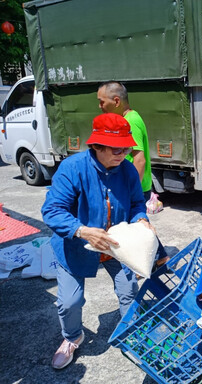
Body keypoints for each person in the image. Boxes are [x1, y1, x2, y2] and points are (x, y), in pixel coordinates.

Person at [42, 113, 153, 369]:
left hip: (117, 243)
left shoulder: (126, 169)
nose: (123, 152)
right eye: (116, 148)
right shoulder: (72, 168)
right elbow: (52, 210)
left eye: (127, 147)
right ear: (96, 146)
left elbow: (137, 203)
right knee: (70, 301)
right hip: (76, 245)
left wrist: (141, 219)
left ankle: (130, 333)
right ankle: (72, 337)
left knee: (128, 291)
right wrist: (81, 230)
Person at [97, 81, 168, 265]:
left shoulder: (131, 122)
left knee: (133, 225)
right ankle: (160, 258)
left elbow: (139, 159)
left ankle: (142, 263)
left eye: (102, 102)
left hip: (134, 186)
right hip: (134, 184)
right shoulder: (131, 118)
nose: (100, 106)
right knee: (138, 224)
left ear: (116, 101)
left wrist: (131, 190)